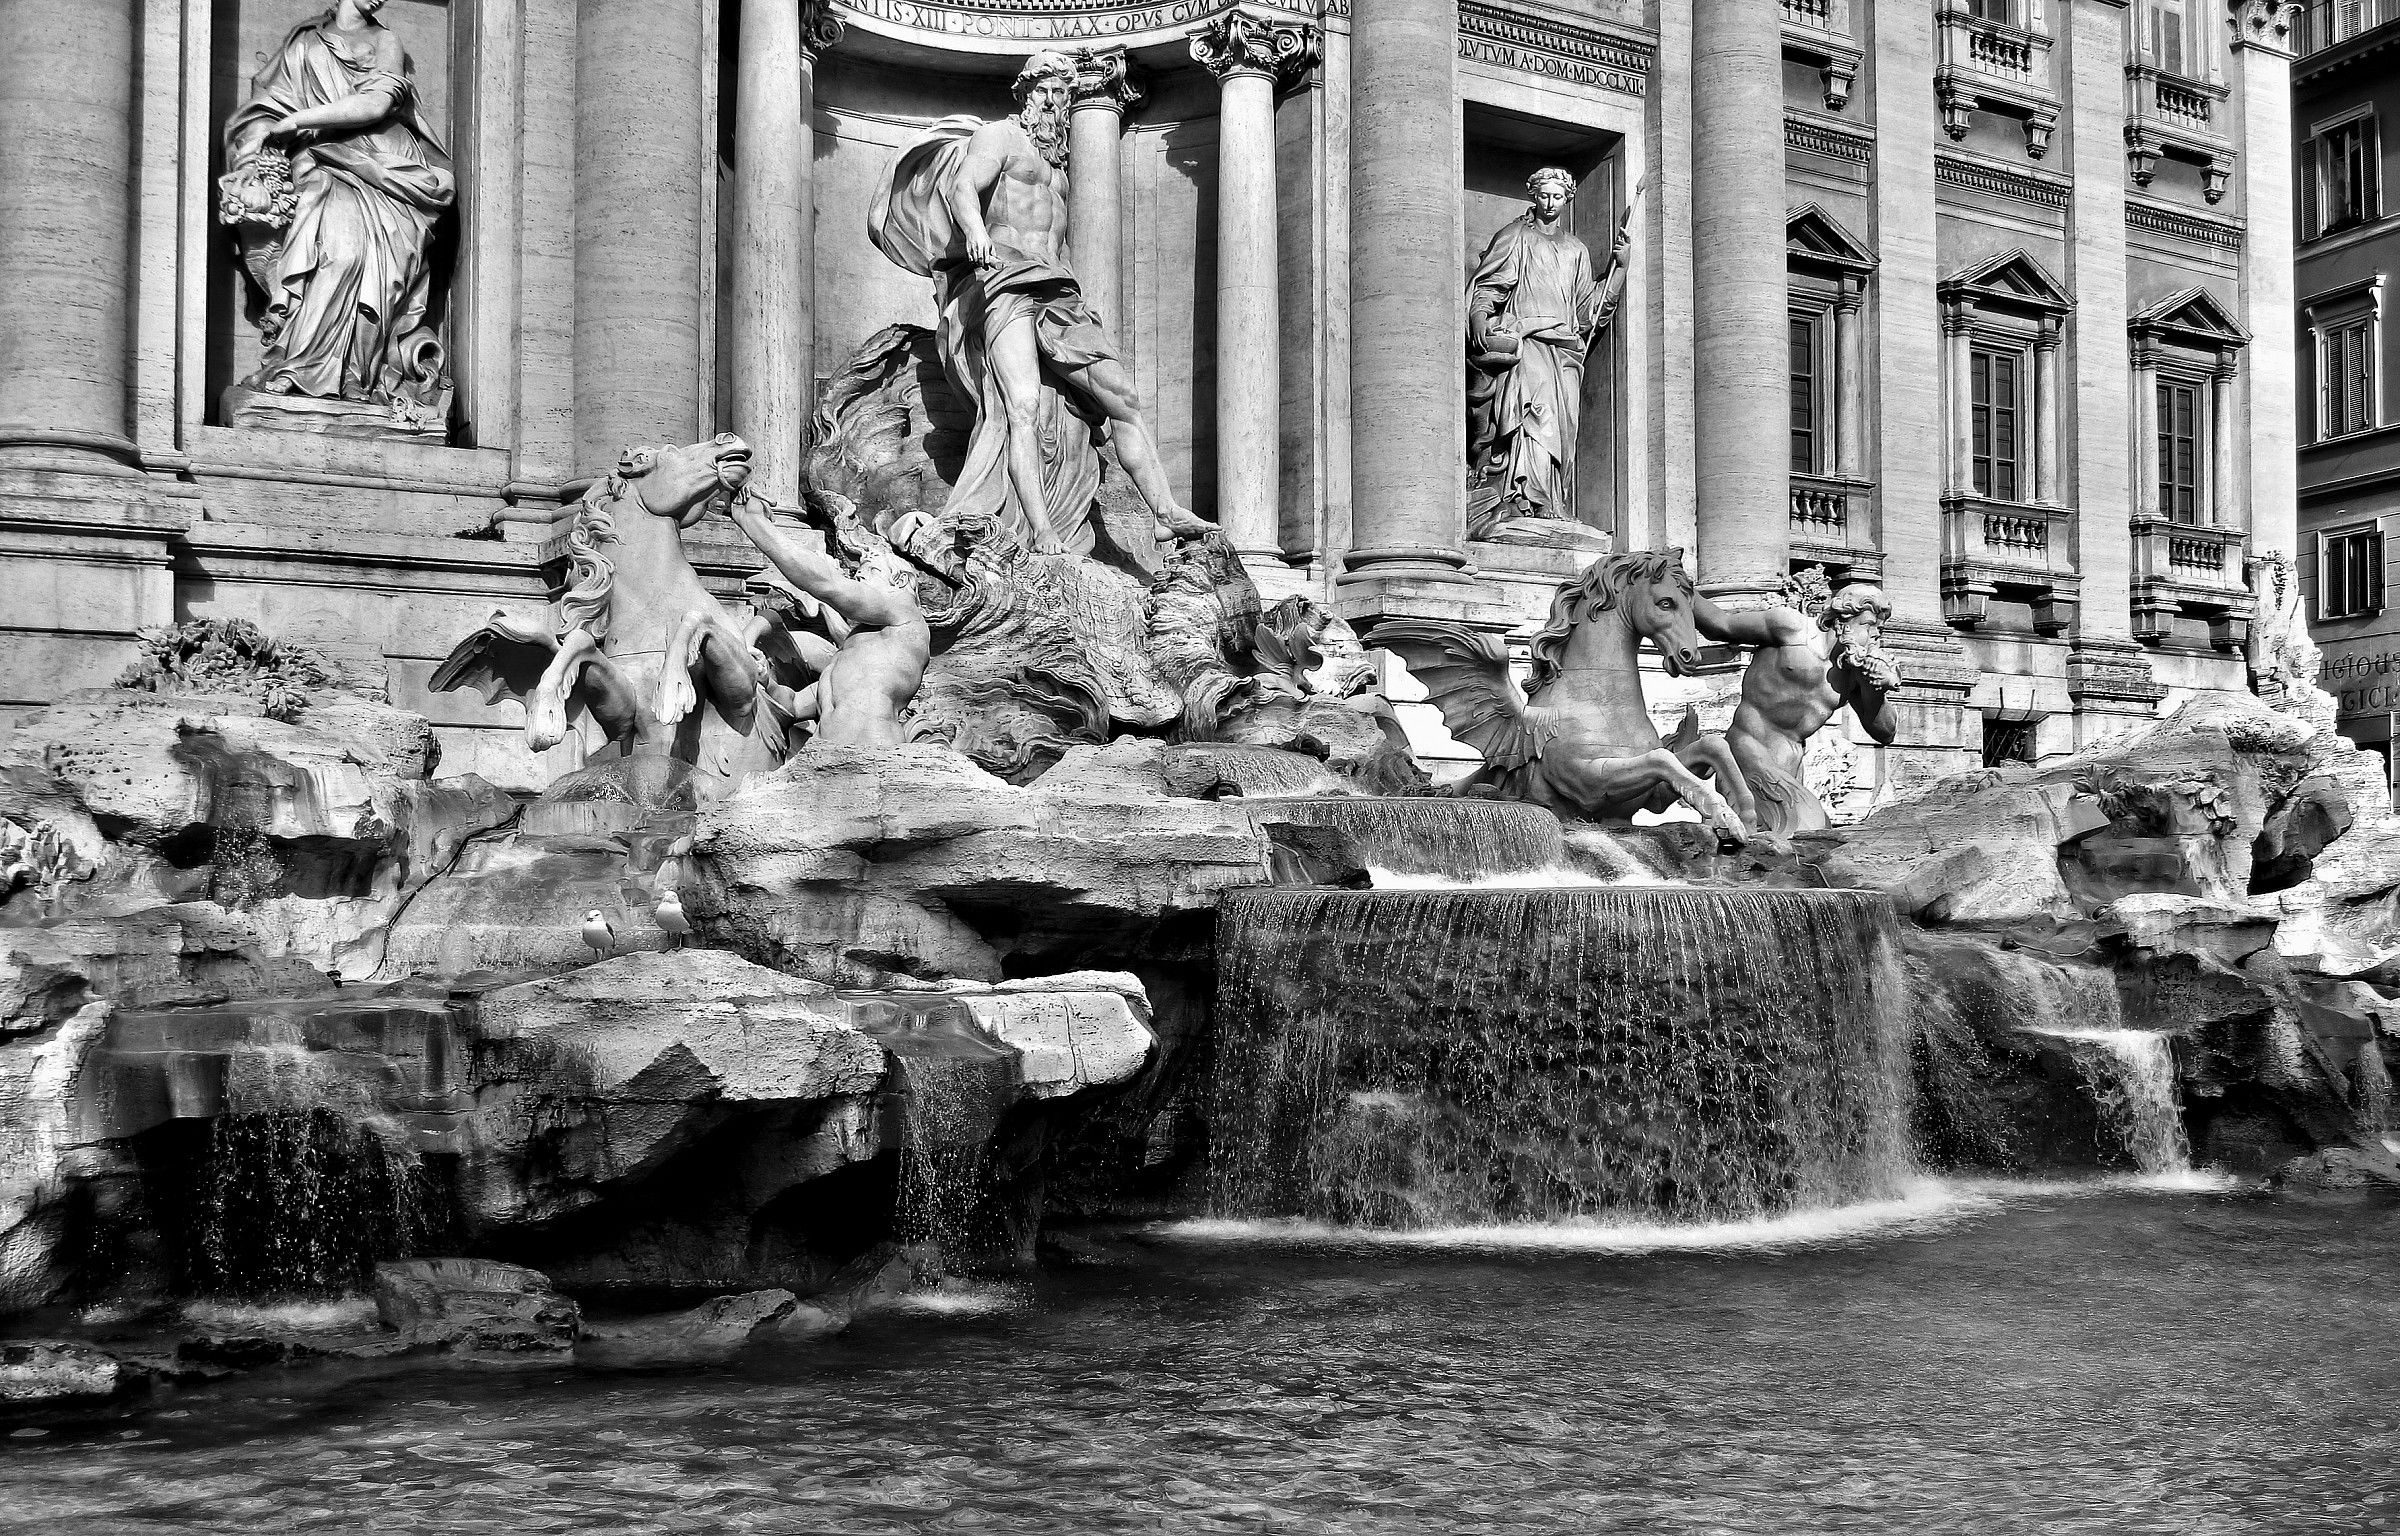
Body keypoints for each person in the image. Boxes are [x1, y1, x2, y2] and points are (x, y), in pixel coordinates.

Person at [870, 52, 1209, 556]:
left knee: (1124, 398)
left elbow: (1057, 238)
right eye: (1043, 91)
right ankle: (1041, 529)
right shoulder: (1000, 137)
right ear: (1025, 94)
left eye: (1061, 93)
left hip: (1057, 290)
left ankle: (1164, 512)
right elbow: (963, 187)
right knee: (1022, 408)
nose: (1052, 101)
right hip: (1004, 280)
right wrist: (976, 231)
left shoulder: (1058, 167)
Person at [218, 0, 454, 410]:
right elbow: (265, 110)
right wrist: (254, 159)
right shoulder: (304, 44)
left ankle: (355, 377)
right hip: (318, 163)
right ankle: (299, 366)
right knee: (339, 252)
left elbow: (376, 104)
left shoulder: (386, 41)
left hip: (383, 167)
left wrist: (297, 121)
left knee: (377, 270)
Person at [1465, 168, 1637, 539]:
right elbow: (1490, 285)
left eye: (1557, 197)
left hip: (1566, 352)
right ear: (1533, 195)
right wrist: (1479, 315)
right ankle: (1523, 499)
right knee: (1532, 417)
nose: (1549, 203)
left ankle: (1553, 501)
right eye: (1544, 195)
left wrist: (1619, 268)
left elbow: (1589, 311)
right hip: (1529, 343)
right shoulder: (1515, 236)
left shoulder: (1576, 250)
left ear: (1567, 199)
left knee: (1562, 430)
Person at [728, 494, 932, 749]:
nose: (859, 578)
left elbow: (828, 585)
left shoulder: (905, 612)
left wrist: (754, 523)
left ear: (900, 581)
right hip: (823, 758)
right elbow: (793, 705)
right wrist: (765, 678)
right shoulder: (850, 659)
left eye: (871, 571)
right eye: (857, 574)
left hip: (872, 754)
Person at [1699, 583, 1902, 834]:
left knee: (1800, 840)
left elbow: (1886, 733)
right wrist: (1677, 589)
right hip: (1747, 751)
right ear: (1842, 621)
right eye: (1868, 624)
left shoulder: (1853, 674)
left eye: (1880, 628)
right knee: (1810, 830)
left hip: (1792, 769)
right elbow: (1721, 625)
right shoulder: (1791, 628)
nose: (1876, 635)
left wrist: (1875, 689)